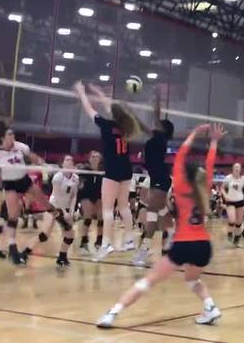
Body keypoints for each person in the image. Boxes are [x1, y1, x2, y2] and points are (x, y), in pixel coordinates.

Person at [96, 123, 225, 329]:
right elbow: (210, 162)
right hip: (203, 245)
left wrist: (194, 133)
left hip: (184, 244)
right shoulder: (205, 188)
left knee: (147, 281)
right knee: (192, 280)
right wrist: (214, 142)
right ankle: (210, 306)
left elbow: (181, 154)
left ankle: (112, 314)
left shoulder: (181, 185)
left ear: (185, 174)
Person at [74, 81, 140, 261]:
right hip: (126, 168)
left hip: (112, 169)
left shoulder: (105, 125)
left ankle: (106, 245)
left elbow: (89, 110)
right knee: (124, 206)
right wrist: (99, 93)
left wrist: (82, 92)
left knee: (108, 209)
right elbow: (111, 107)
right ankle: (129, 240)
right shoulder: (126, 127)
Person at [0, 121, 50, 265]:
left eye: (13, 134)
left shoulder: (21, 147)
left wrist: (42, 163)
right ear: (3, 138)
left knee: (43, 200)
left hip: (24, 180)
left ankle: (58, 217)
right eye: (10, 134)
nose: (13, 136)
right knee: (13, 216)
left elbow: (34, 157)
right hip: (10, 184)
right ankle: (12, 248)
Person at [133, 91, 175, 267]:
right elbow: (144, 127)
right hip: (158, 178)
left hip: (160, 179)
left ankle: (144, 251)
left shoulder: (160, 137)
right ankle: (172, 232)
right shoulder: (156, 137)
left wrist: (157, 101)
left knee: (151, 214)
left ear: (163, 129)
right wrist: (132, 116)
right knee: (160, 211)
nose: (156, 126)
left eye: (159, 125)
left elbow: (155, 117)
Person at [20, 155, 79, 267]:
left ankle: (62, 258)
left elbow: (74, 195)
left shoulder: (75, 178)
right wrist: (64, 212)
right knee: (44, 235)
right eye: (67, 160)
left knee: (70, 235)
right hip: (53, 207)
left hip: (66, 209)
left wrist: (71, 211)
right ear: (62, 163)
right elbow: (57, 196)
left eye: (71, 160)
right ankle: (24, 254)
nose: (69, 161)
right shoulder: (57, 177)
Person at [77, 151, 104, 253]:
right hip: (86, 194)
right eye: (93, 156)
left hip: (99, 194)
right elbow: (79, 180)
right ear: (89, 158)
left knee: (101, 218)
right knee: (88, 217)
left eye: (97, 156)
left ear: (100, 159)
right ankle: (83, 242)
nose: (95, 158)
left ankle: (99, 241)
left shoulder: (103, 170)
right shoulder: (84, 169)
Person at [222, 162, 244, 248]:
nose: (237, 169)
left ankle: (236, 241)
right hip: (230, 201)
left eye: (238, 167)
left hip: (240, 201)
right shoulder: (228, 178)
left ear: (240, 169)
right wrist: (225, 196)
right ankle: (229, 234)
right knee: (232, 220)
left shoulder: (243, 179)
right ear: (233, 168)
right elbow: (222, 188)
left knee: (239, 223)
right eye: (235, 167)